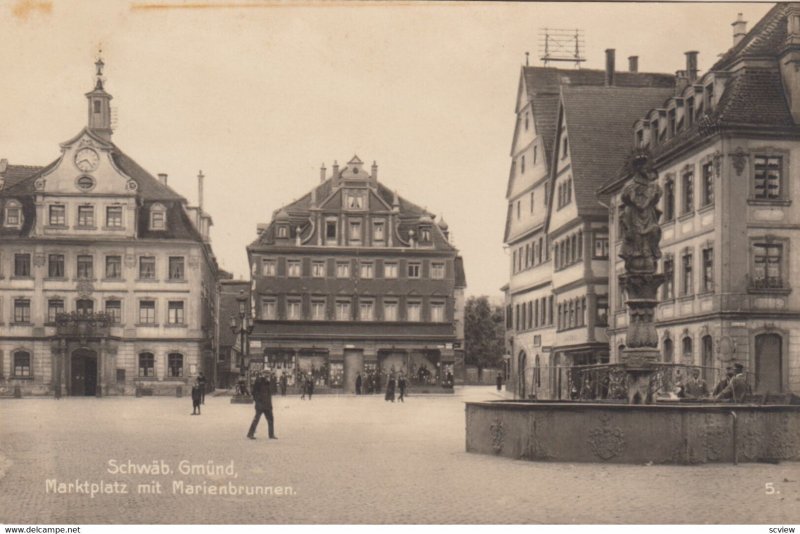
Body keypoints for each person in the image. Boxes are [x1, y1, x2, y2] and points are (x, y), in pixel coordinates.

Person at [247, 373, 276, 440]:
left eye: (268, 375)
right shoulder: (259, 382)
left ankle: (271, 434)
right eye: (266, 375)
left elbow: (269, 395)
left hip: (267, 405)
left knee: (271, 419)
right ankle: (250, 434)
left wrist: (270, 405)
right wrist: (258, 401)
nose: (268, 377)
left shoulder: (268, 383)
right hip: (260, 405)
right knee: (256, 419)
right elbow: (254, 392)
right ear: (263, 375)